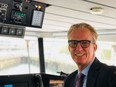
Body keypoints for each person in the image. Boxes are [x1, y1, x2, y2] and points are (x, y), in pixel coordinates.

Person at [64, 22, 116, 87]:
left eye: (85, 43)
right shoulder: (69, 80)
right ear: (69, 48)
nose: (78, 48)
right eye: (74, 43)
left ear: (94, 48)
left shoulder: (111, 75)